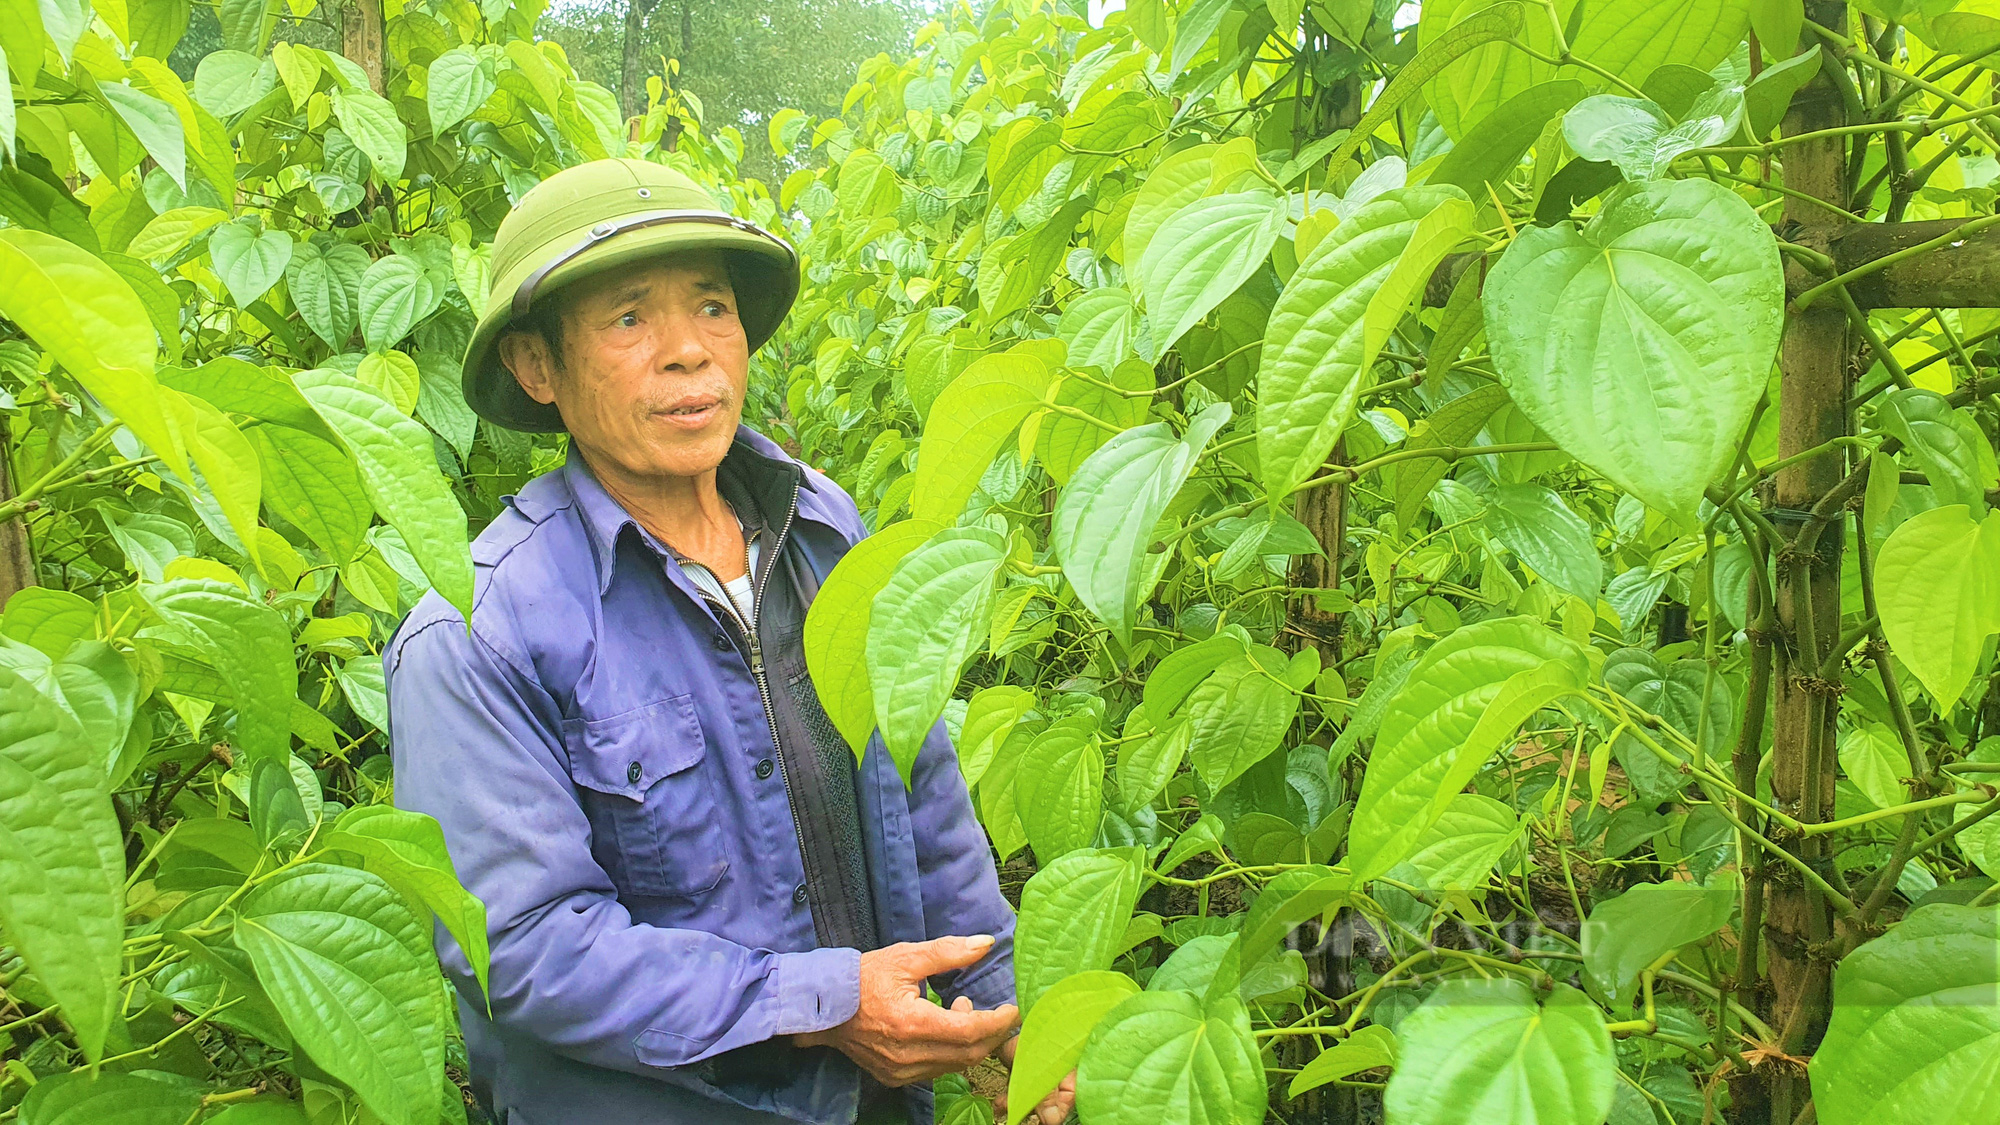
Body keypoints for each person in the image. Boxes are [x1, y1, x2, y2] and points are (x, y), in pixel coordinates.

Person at [384, 158, 1074, 1125]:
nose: (689, 352)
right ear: (536, 365)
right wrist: (821, 1005)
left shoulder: (823, 530)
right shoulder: (478, 632)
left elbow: (921, 789)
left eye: (712, 305)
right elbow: (526, 946)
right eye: (629, 318)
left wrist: (1002, 1013)